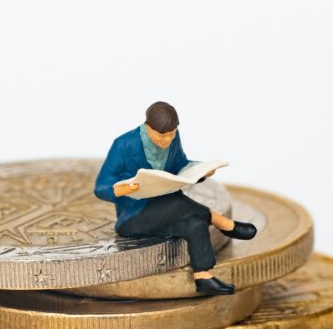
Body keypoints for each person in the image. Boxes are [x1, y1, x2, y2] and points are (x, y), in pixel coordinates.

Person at [94, 101, 257, 295]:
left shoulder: (173, 138)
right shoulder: (124, 144)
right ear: (148, 128)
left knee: (195, 223)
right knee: (177, 203)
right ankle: (224, 224)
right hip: (134, 217)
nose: (168, 140)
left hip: (168, 209)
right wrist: (123, 189)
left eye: (172, 134)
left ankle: (203, 277)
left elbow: (180, 165)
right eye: (162, 135)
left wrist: (201, 171)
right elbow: (101, 187)